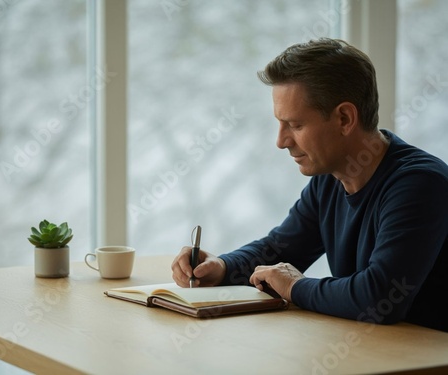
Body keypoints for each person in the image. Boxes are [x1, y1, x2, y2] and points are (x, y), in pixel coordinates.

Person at [171, 38, 448, 332]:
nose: (281, 142)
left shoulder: (420, 184)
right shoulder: (329, 180)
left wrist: (295, 287)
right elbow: (280, 249)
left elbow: (380, 299)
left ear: (344, 118)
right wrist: (222, 266)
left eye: (296, 125)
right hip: (377, 351)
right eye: (280, 124)